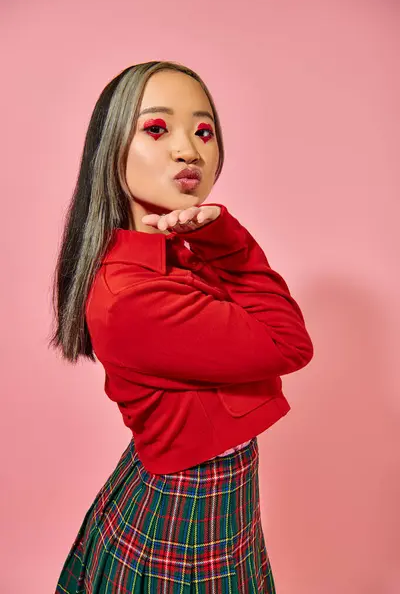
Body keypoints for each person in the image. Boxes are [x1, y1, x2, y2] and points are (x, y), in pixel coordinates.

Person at [50, 60, 314, 593]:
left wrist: (210, 237)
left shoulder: (165, 258)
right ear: (111, 149)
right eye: (156, 128)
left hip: (204, 495)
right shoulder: (135, 295)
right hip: (189, 512)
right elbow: (288, 341)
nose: (189, 150)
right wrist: (224, 237)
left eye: (203, 131)